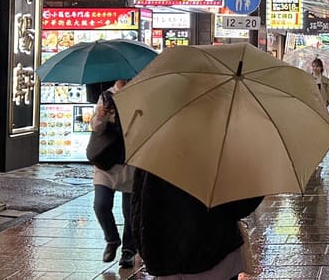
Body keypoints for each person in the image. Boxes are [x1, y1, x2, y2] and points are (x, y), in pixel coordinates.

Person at [131, 168, 263, 279]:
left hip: (165, 255)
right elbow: (240, 205)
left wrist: (145, 248)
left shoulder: (154, 148)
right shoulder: (222, 147)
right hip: (214, 251)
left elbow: (137, 203)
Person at [92, 79, 136, 267]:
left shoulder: (140, 95)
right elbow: (96, 128)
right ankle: (112, 239)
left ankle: (128, 251)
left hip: (131, 160)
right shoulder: (106, 97)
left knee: (130, 212)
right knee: (101, 205)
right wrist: (101, 116)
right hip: (106, 160)